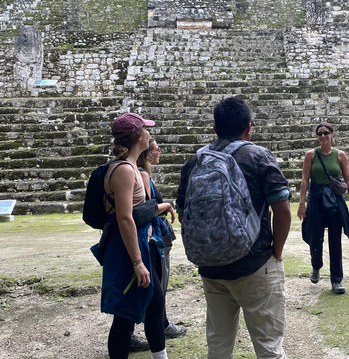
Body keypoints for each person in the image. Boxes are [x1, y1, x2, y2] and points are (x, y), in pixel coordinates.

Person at [176, 97, 292, 359]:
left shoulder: (195, 161)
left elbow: (184, 215)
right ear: (248, 128)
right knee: (269, 347)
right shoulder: (258, 155)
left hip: (211, 268)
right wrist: (276, 253)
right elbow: (282, 210)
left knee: (218, 344)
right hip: (256, 263)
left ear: (215, 129)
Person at [101, 112, 174, 359]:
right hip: (129, 247)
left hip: (140, 243)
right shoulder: (123, 170)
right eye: (146, 128)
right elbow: (124, 218)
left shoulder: (131, 166)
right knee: (125, 313)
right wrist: (137, 261)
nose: (149, 132)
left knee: (155, 303)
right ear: (139, 136)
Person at [128, 139, 185, 352]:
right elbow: (147, 209)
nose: (160, 151)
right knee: (157, 286)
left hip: (149, 237)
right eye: (156, 149)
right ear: (147, 153)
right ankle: (161, 326)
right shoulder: (142, 174)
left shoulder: (141, 173)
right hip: (151, 238)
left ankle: (159, 325)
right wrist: (167, 205)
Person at [298, 122, 349, 294]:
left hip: (334, 199)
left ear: (332, 134)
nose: (322, 136)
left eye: (326, 133)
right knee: (315, 235)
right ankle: (316, 266)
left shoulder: (340, 155)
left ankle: (336, 280)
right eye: (319, 133)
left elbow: (348, 178)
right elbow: (305, 179)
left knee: (335, 239)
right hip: (316, 198)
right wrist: (302, 203)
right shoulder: (311, 155)